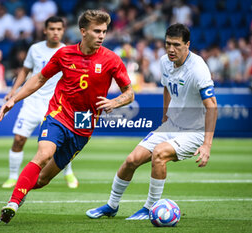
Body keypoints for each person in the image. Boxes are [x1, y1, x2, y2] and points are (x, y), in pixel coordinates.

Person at [0, 10, 134, 224]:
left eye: (104, 32)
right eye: (96, 31)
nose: (101, 36)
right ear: (83, 32)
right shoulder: (64, 54)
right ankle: (13, 202)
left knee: (42, 180)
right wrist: (14, 99)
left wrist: (115, 102)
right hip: (59, 115)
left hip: (83, 126)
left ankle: (21, 190)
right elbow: (40, 78)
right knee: (43, 155)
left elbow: (129, 93)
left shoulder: (111, 59)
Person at [86, 23, 218, 220]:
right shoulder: (165, 61)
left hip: (193, 131)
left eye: (176, 45)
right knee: (131, 160)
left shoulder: (198, 69)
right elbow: (166, 87)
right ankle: (111, 206)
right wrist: (165, 118)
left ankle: (149, 209)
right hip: (171, 125)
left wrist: (207, 145)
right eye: (168, 44)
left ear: (187, 45)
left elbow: (212, 106)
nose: (171, 49)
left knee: (159, 154)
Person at [1, 16, 78, 189]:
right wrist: (14, 90)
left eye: (59, 29)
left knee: (60, 144)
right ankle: (13, 176)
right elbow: (25, 71)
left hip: (56, 104)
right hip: (32, 101)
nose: (55, 32)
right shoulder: (35, 49)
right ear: (45, 30)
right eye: (52, 28)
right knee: (19, 139)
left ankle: (68, 172)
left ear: (63, 30)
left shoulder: (68, 51)